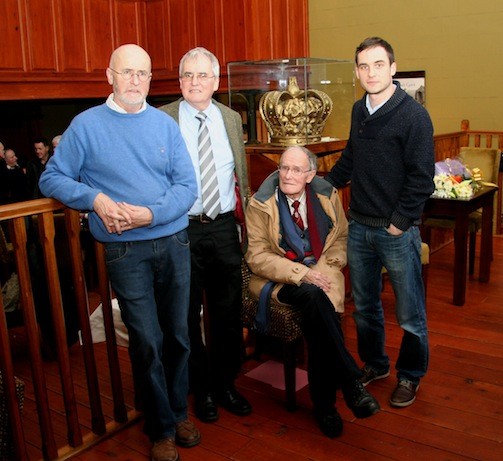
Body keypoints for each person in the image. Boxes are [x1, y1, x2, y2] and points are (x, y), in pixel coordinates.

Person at [39, 43, 200, 461]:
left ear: (150, 79)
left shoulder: (164, 125)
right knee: (146, 340)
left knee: (180, 334)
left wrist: (150, 214)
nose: (135, 81)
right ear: (109, 75)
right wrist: (92, 198)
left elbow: (187, 187)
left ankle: (179, 411)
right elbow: (52, 178)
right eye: (126, 72)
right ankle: (161, 427)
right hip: (125, 252)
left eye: (142, 74)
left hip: (174, 242)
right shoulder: (85, 125)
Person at [325, 37, 435, 408]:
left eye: (378, 64)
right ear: (357, 72)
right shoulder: (359, 110)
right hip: (358, 228)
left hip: (395, 232)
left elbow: (422, 177)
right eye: (363, 66)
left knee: (409, 312)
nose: (370, 72)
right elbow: (350, 161)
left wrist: (399, 223)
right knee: (366, 308)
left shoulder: (414, 115)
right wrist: (319, 184)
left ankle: (410, 375)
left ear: (392, 68)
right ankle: (376, 364)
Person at [245, 146, 380, 438]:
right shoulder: (260, 203)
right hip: (278, 280)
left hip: (322, 271)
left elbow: (340, 238)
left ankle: (326, 406)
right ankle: (350, 382)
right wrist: (303, 274)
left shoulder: (326, 195)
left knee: (318, 311)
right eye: (283, 168)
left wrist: (324, 269)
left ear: (309, 175)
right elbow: (257, 257)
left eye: (296, 170)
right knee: (314, 298)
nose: (288, 175)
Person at [159, 47, 251, 423]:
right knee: (184, 315)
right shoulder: (161, 118)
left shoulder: (230, 118)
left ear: (216, 81)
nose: (194, 83)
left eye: (202, 76)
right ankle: (201, 389)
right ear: (180, 81)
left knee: (228, 313)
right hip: (180, 229)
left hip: (224, 228)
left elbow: (239, 175)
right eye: (187, 76)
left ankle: (225, 383)